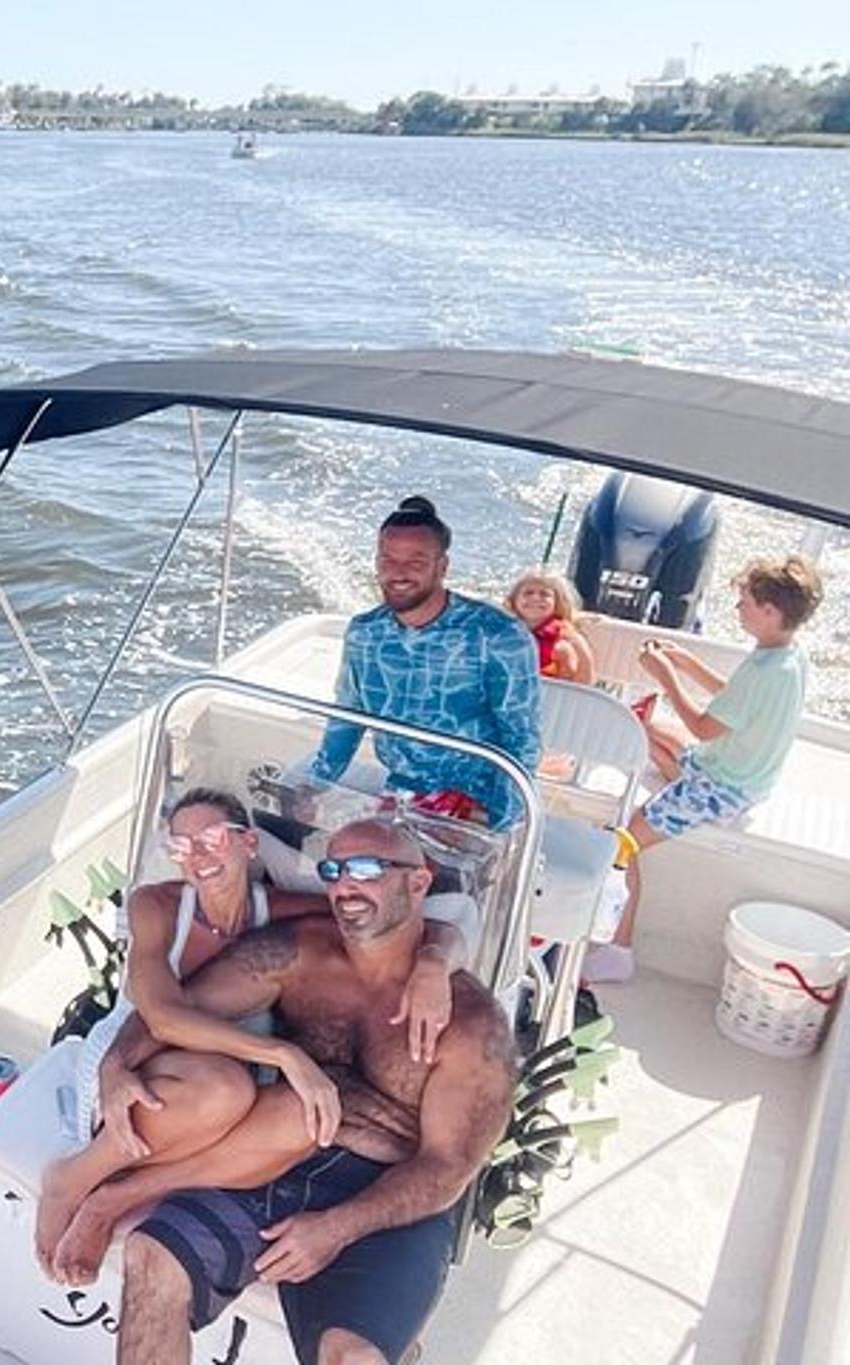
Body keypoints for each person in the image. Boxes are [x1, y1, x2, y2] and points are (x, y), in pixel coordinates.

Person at [58, 820, 518, 1365]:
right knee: (152, 1259)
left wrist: (336, 1228)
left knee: (353, 1357)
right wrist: (117, 1065)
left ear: (418, 883)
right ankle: (117, 1197)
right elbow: (182, 1011)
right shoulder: (299, 953)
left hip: (390, 1196)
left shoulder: (473, 1026)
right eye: (333, 870)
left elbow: (447, 1169)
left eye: (367, 870)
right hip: (271, 1155)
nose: (346, 887)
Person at [35, 791, 469, 1280]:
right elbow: (163, 1019)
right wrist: (285, 1055)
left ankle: (122, 1193)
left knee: (301, 1118)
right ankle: (72, 1178)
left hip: (218, 1064)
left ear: (249, 842)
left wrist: (433, 965)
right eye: (182, 846)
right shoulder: (155, 906)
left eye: (213, 839)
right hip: (134, 1055)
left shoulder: (279, 910)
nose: (198, 858)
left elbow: (424, 918)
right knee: (227, 1089)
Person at [587, 554, 823, 982]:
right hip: (740, 774)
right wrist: (685, 663)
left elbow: (702, 727)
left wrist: (664, 676)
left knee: (619, 842)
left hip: (720, 788)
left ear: (770, 612)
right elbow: (735, 701)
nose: (738, 609)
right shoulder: (786, 656)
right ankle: (665, 777)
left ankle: (616, 950)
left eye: (745, 602)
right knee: (647, 728)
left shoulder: (764, 671)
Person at [310, 496, 542, 828]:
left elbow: (521, 739)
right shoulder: (364, 633)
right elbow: (347, 717)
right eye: (387, 560)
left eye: (416, 562)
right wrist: (315, 785)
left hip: (477, 802)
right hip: (401, 794)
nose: (398, 573)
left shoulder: (498, 636)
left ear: (442, 567)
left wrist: (500, 827)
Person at [504, 569, 594, 684]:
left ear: (557, 603)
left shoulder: (567, 642)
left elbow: (580, 684)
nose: (535, 598)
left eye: (544, 594)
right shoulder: (502, 634)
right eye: (528, 593)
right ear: (513, 601)